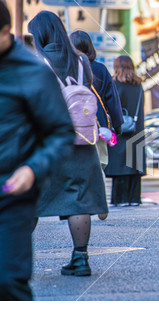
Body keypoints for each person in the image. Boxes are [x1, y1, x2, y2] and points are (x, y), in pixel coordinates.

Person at [0, 2, 75, 299]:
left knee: (8, 282)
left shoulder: (34, 72)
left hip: (12, 193)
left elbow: (61, 132)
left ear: (6, 32)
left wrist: (32, 169)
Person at [28, 11, 109, 277]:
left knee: (27, 200)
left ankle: (13, 259)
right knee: (80, 200)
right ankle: (80, 259)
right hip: (81, 139)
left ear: (40, 34)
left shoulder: (37, 61)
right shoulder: (81, 60)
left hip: (47, 139)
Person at [70, 30, 124, 220]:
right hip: (97, 125)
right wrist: (117, 125)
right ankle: (101, 202)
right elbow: (112, 99)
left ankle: (81, 204)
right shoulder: (100, 69)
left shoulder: (67, 69)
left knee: (76, 165)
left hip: (74, 125)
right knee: (98, 164)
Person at [104, 56, 146, 206]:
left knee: (119, 164)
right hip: (137, 130)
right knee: (134, 164)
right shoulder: (139, 84)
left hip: (119, 129)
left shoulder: (114, 84)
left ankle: (119, 199)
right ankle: (134, 198)